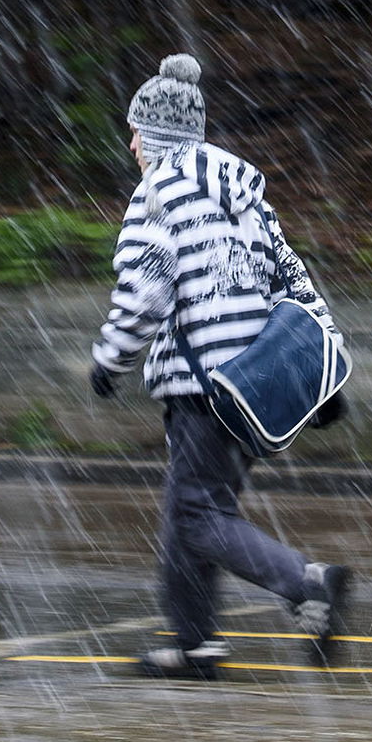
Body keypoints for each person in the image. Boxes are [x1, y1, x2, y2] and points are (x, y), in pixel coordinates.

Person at [88, 53, 351, 679]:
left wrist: (109, 360)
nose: (130, 144)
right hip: (256, 385)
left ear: (151, 136)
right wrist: (326, 368)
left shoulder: (157, 197)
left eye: (135, 131)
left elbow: (145, 294)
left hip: (200, 384)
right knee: (195, 512)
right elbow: (293, 280)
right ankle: (196, 644)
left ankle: (307, 584)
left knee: (198, 516)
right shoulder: (248, 198)